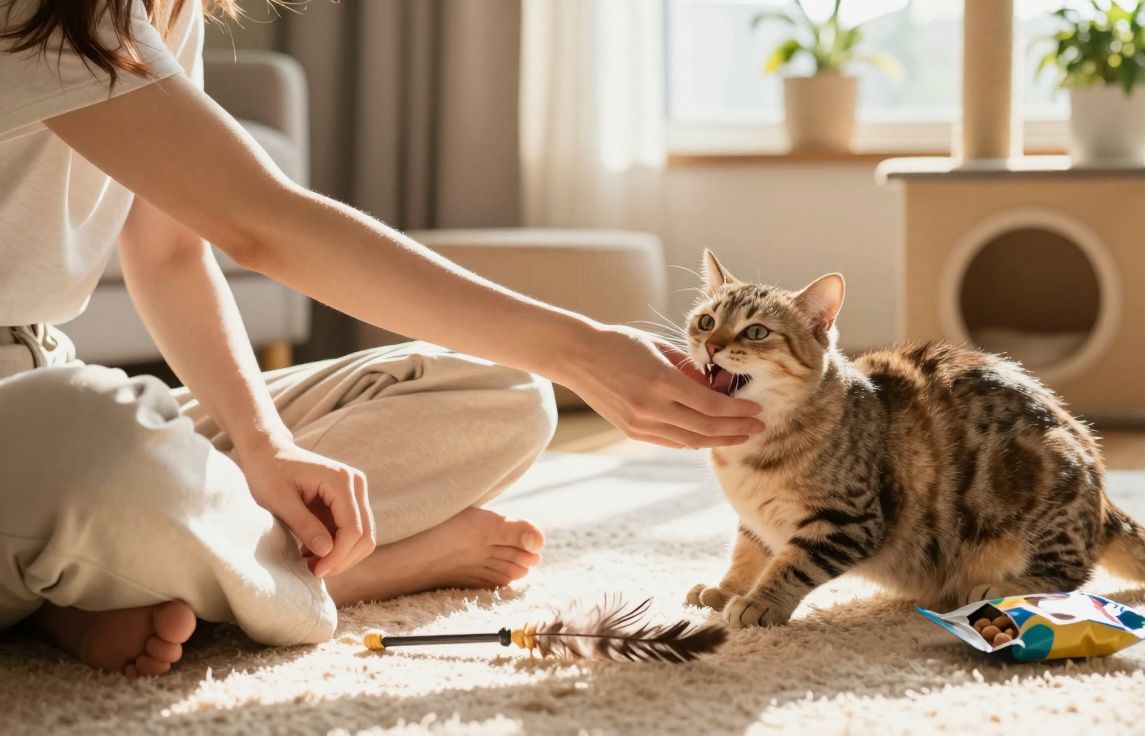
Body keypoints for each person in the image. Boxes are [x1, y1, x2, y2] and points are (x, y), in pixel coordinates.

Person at [0, 0, 763, 677]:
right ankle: (335, 577)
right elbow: (259, 223)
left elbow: (170, 253)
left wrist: (265, 446)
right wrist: (586, 350)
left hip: (39, 378)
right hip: (49, 426)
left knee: (503, 391)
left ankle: (98, 579)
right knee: (94, 432)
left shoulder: (164, 13)